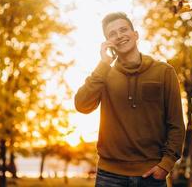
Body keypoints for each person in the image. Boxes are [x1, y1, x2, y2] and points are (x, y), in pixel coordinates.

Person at [74, 12, 185, 187]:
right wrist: (103, 64)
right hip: (109, 175)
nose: (119, 36)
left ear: (136, 34)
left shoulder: (164, 72)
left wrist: (166, 164)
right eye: (112, 34)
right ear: (108, 42)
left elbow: (176, 123)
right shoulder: (104, 74)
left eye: (123, 29)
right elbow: (82, 105)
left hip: (151, 175)